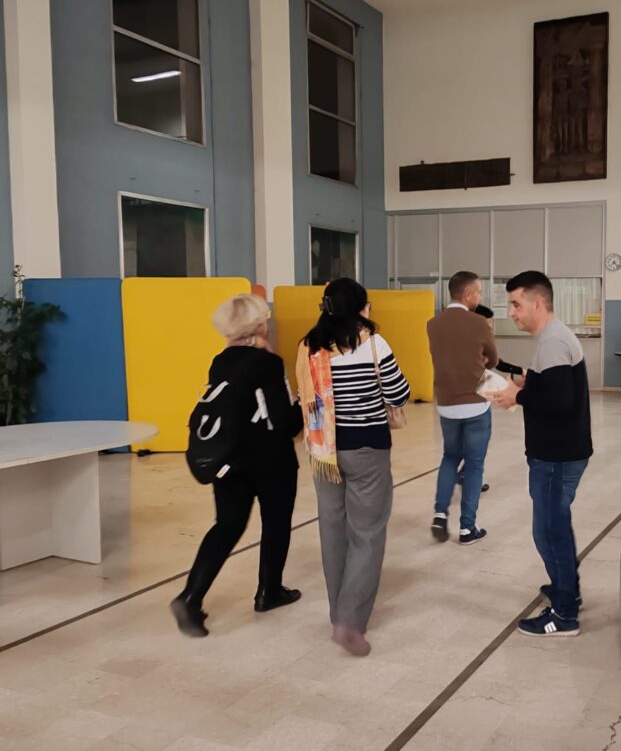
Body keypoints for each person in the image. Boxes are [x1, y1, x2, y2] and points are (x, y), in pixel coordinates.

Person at [171, 294, 304, 638]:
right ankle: (268, 592)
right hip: (270, 459)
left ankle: (190, 597)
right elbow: (284, 423)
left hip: (229, 459)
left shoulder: (221, 361)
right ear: (257, 324)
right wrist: (304, 403)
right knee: (275, 524)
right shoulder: (267, 363)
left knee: (227, 526)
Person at [296, 278, 410, 656]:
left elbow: (303, 395)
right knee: (367, 532)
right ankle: (349, 621)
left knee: (332, 531)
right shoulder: (373, 344)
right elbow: (398, 393)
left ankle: (337, 613)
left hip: (323, 451)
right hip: (366, 449)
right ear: (362, 308)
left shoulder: (309, 346)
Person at [489, 271, 592, 637]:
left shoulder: (552, 342)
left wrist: (518, 395)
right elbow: (553, 387)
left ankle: (564, 614)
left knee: (549, 531)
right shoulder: (554, 336)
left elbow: (560, 401)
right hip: (560, 451)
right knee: (553, 526)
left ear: (537, 303)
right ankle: (567, 590)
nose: (512, 313)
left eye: (516, 304)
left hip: (556, 455)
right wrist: (524, 385)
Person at [426, 271, 498, 544]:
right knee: (475, 464)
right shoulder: (479, 322)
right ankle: (467, 527)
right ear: (468, 294)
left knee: (449, 457)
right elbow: (493, 359)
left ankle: (440, 513)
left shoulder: (433, 324)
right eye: (478, 291)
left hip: (446, 403)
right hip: (476, 403)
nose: (480, 296)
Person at [454, 304, 524, 493]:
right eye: (487, 325)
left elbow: (496, 363)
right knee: (476, 442)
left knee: (472, 441)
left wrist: (519, 371)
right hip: (470, 401)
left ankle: (463, 475)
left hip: (474, 400)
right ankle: (465, 477)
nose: (490, 329)